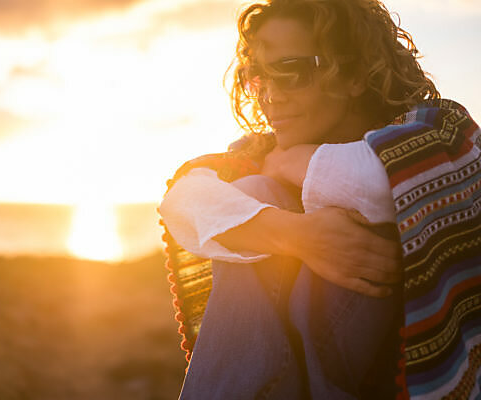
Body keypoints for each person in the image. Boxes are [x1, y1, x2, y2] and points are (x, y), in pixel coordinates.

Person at [159, 0, 481, 399]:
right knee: (257, 193)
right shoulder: (262, 154)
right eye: (258, 76)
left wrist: (291, 162)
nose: (270, 96)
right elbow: (184, 197)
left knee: (296, 200)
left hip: (404, 379)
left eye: (291, 71)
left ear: (355, 74)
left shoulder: (441, 128)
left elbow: (382, 185)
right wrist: (296, 236)